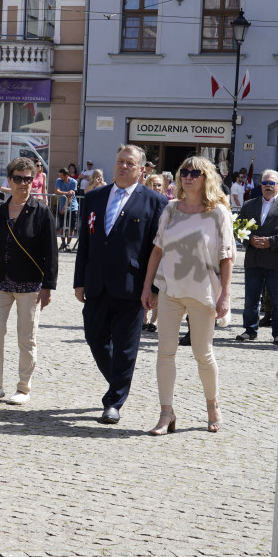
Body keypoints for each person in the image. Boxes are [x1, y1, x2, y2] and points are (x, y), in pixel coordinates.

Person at [140, 156, 235, 435]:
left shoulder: (218, 212)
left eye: (195, 172)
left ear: (207, 178)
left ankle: (212, 405)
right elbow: (157, 249)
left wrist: (225, 295)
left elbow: (226, 256)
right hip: (171, 289)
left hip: (202, 290)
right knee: (165, 353)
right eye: (184, 172)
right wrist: (148, 287)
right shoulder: (170, 209)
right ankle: (166, 413)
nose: (188, 177)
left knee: (202, 353)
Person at [74, 144, 167, 424]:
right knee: (94, 337)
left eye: (129, 163)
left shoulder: (154, 202)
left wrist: (153, 288)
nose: (123, 166)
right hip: (96, 282)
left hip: (133, 286)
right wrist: (79, 281)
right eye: (119, 161)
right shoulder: (95, 198)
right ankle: (119, 379)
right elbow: (86, 243)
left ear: (141, 169)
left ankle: (113, 401)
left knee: (126, 347)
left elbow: (157, 250)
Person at [0, 157, 57, 405]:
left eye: (28, 179)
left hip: (30, 285)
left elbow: (51, 253)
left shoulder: (42, 212)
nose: (24, 183)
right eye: (18, 178)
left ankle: (23, 387)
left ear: (34, 181)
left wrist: (48, 287)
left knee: (26, 337)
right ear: (9, 180)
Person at [235, 169, 278, 345]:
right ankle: (250, 330)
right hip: (253, 258)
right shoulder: (249, 205)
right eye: (265, 183)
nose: (268, 187)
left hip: (276, 259)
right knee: (251, 297)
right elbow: (238, 227)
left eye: (272, 183)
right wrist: (250, 240)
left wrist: (271, 241)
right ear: (261, 185)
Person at [54, 168, 78, 248]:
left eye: (61, 175)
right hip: (62, 206)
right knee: (61, 227)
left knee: (71, 227)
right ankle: (63, 242)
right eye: (59, 175)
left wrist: (65, 207)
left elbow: (70, 195)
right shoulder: (58, 180)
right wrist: (66, 193)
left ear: (66, 175)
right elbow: (57, 191)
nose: (60, 177)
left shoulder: (73, 182)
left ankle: (68, 244)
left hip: (72, 207)